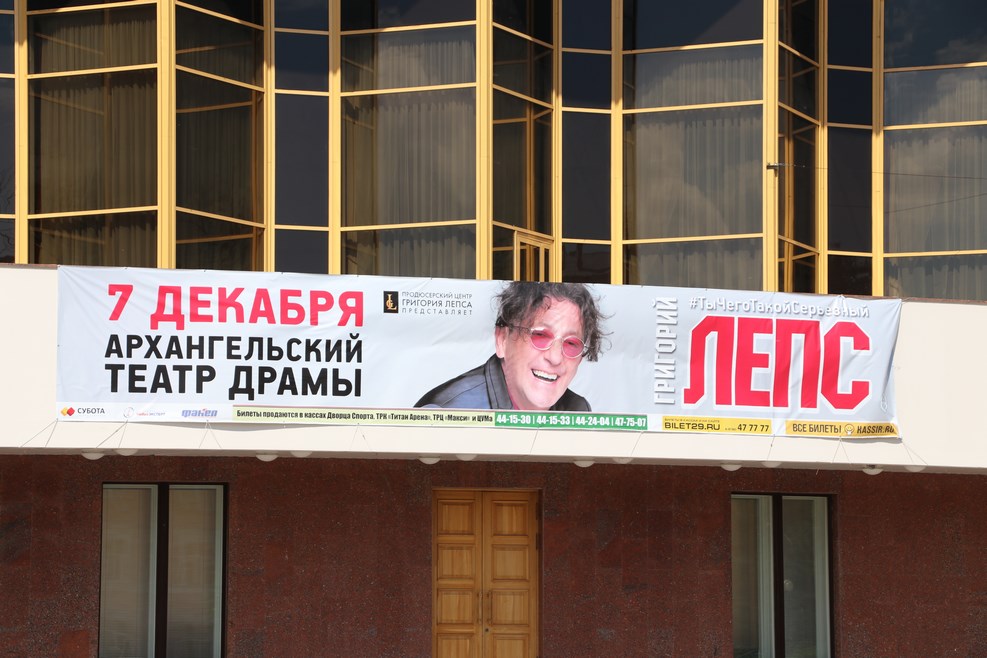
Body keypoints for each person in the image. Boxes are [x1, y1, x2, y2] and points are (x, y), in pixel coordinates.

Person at [415, 282, 606, 411]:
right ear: (502, 339)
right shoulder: (448, 412)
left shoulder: (577, 410)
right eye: (540, 335)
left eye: (571, 344)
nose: (555, 357)